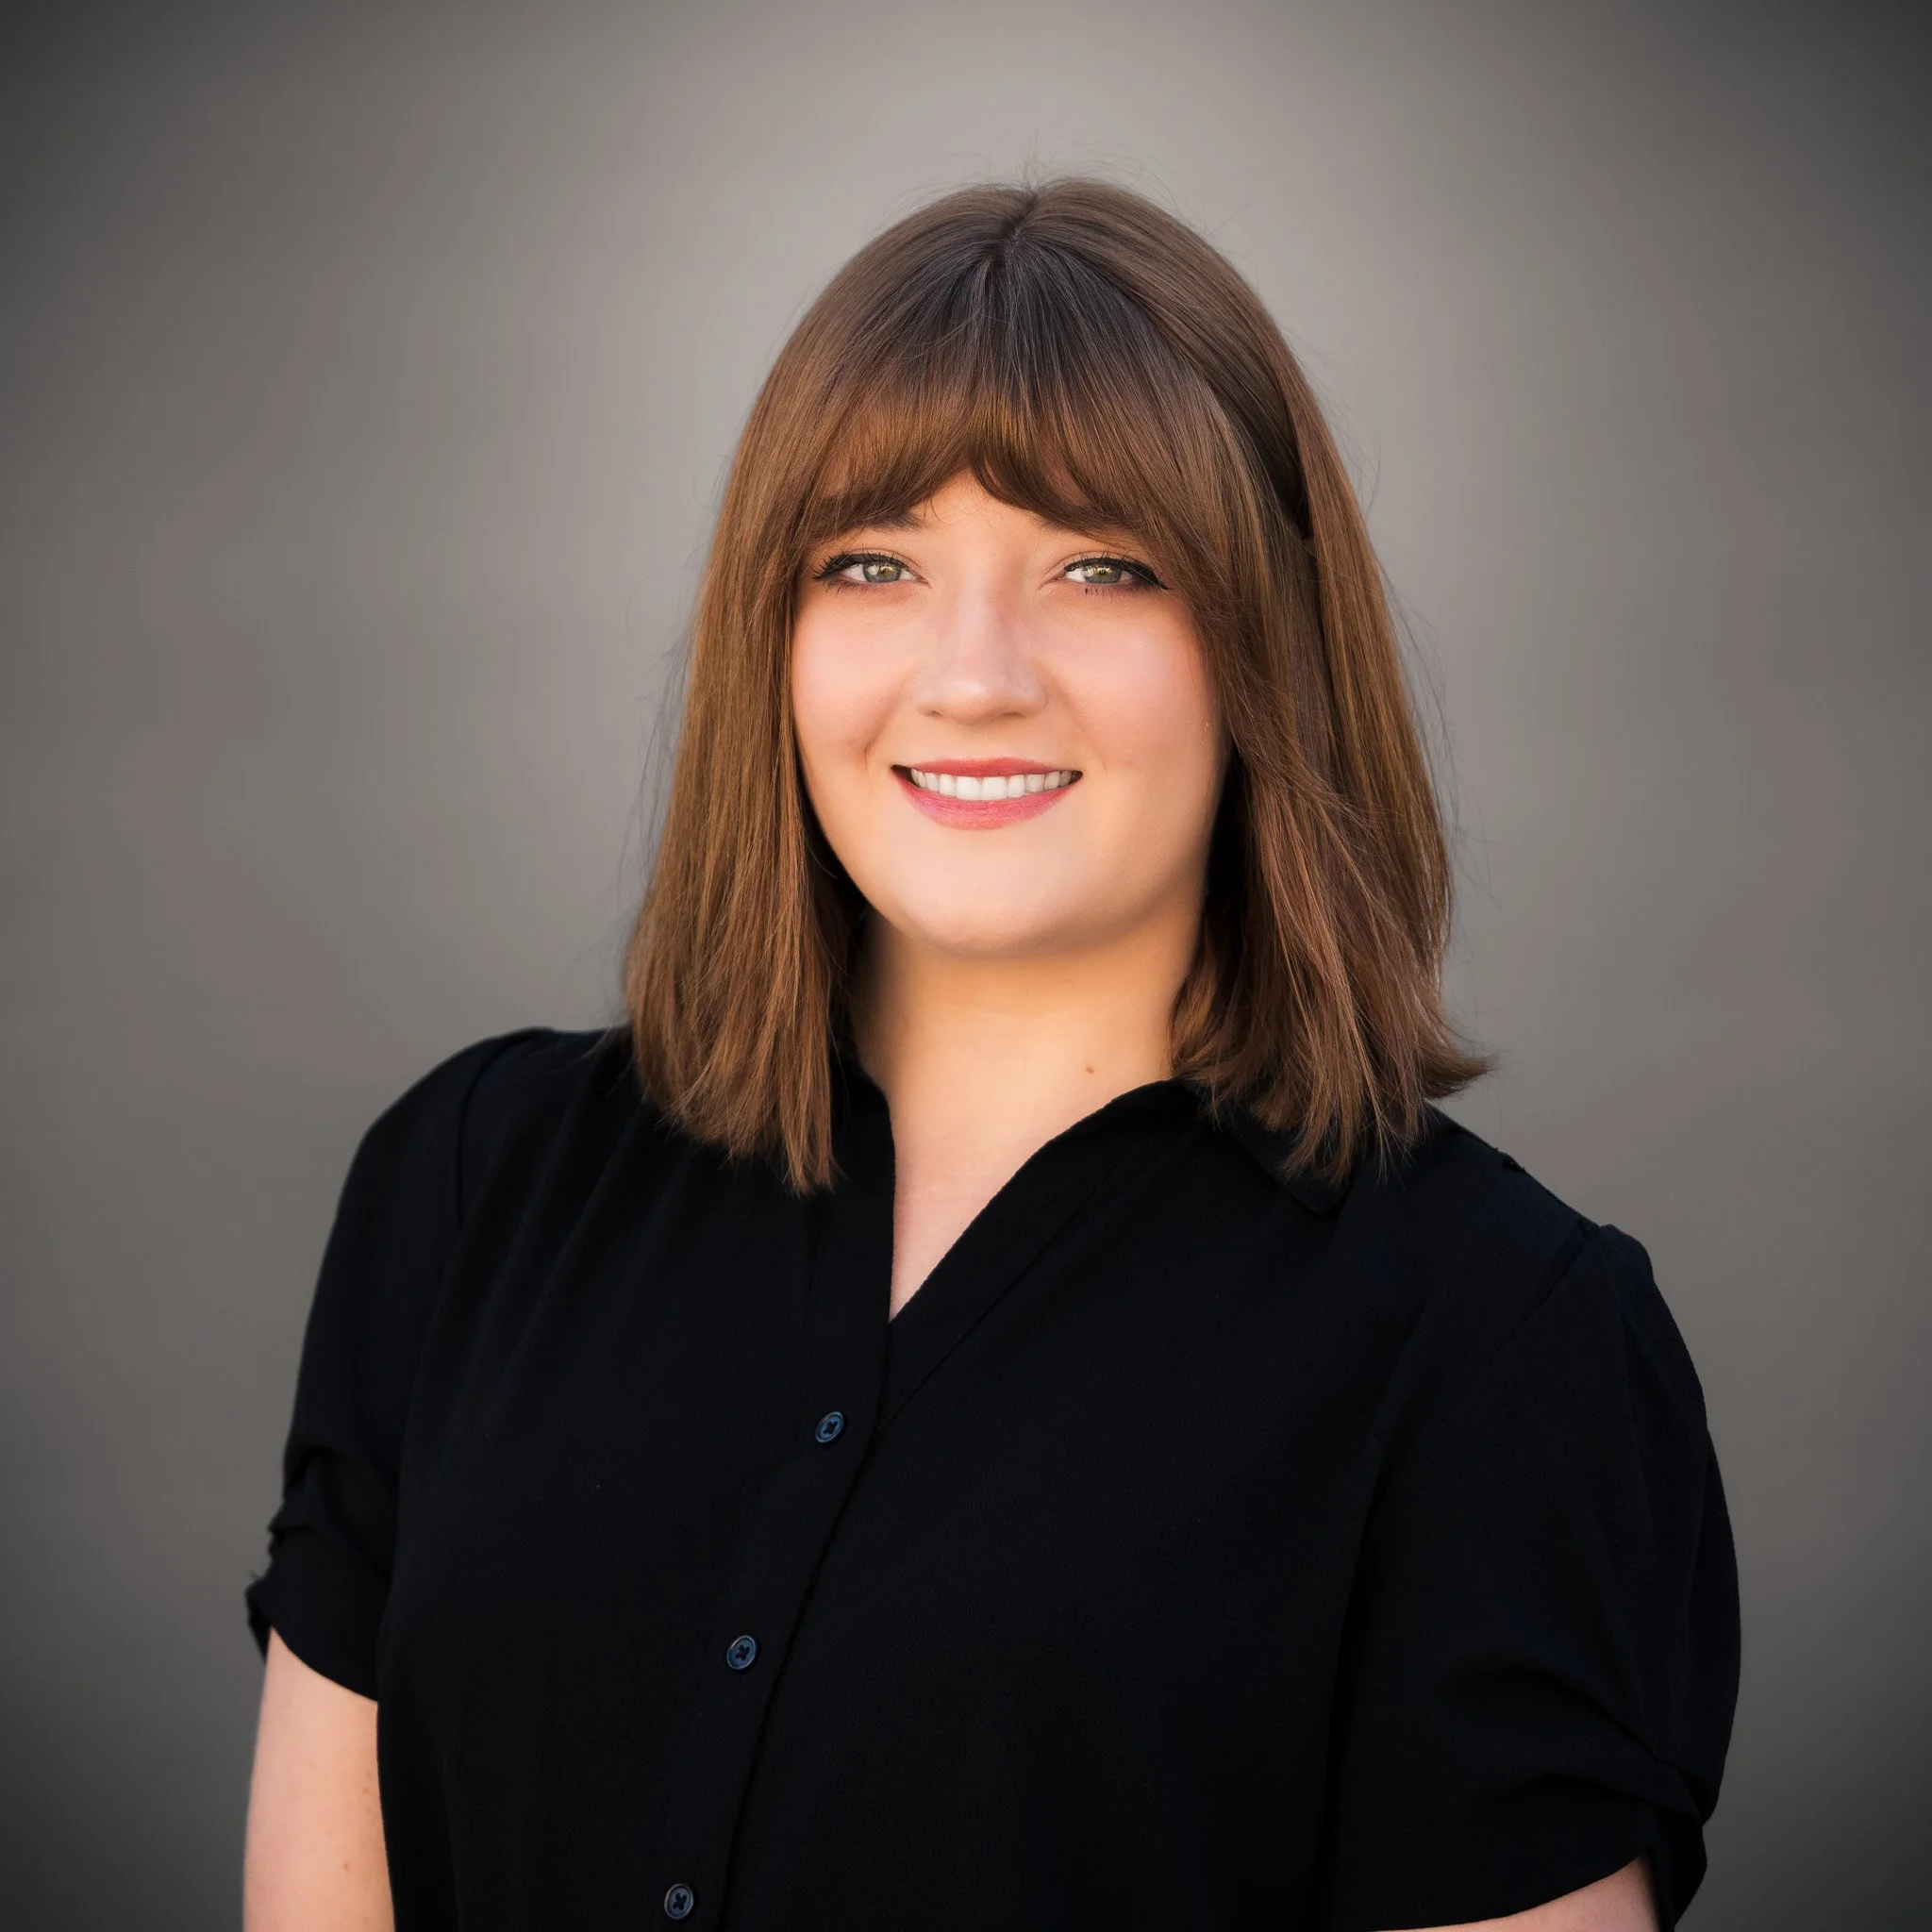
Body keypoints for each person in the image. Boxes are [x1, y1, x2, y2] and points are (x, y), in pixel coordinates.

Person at [240, 178, 1739, 1931]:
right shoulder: (469, 1184)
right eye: (871, 564)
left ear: (1268, 640)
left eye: (1104, 567)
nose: (973, 677)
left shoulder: (1502, 1346)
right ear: (770, 634)